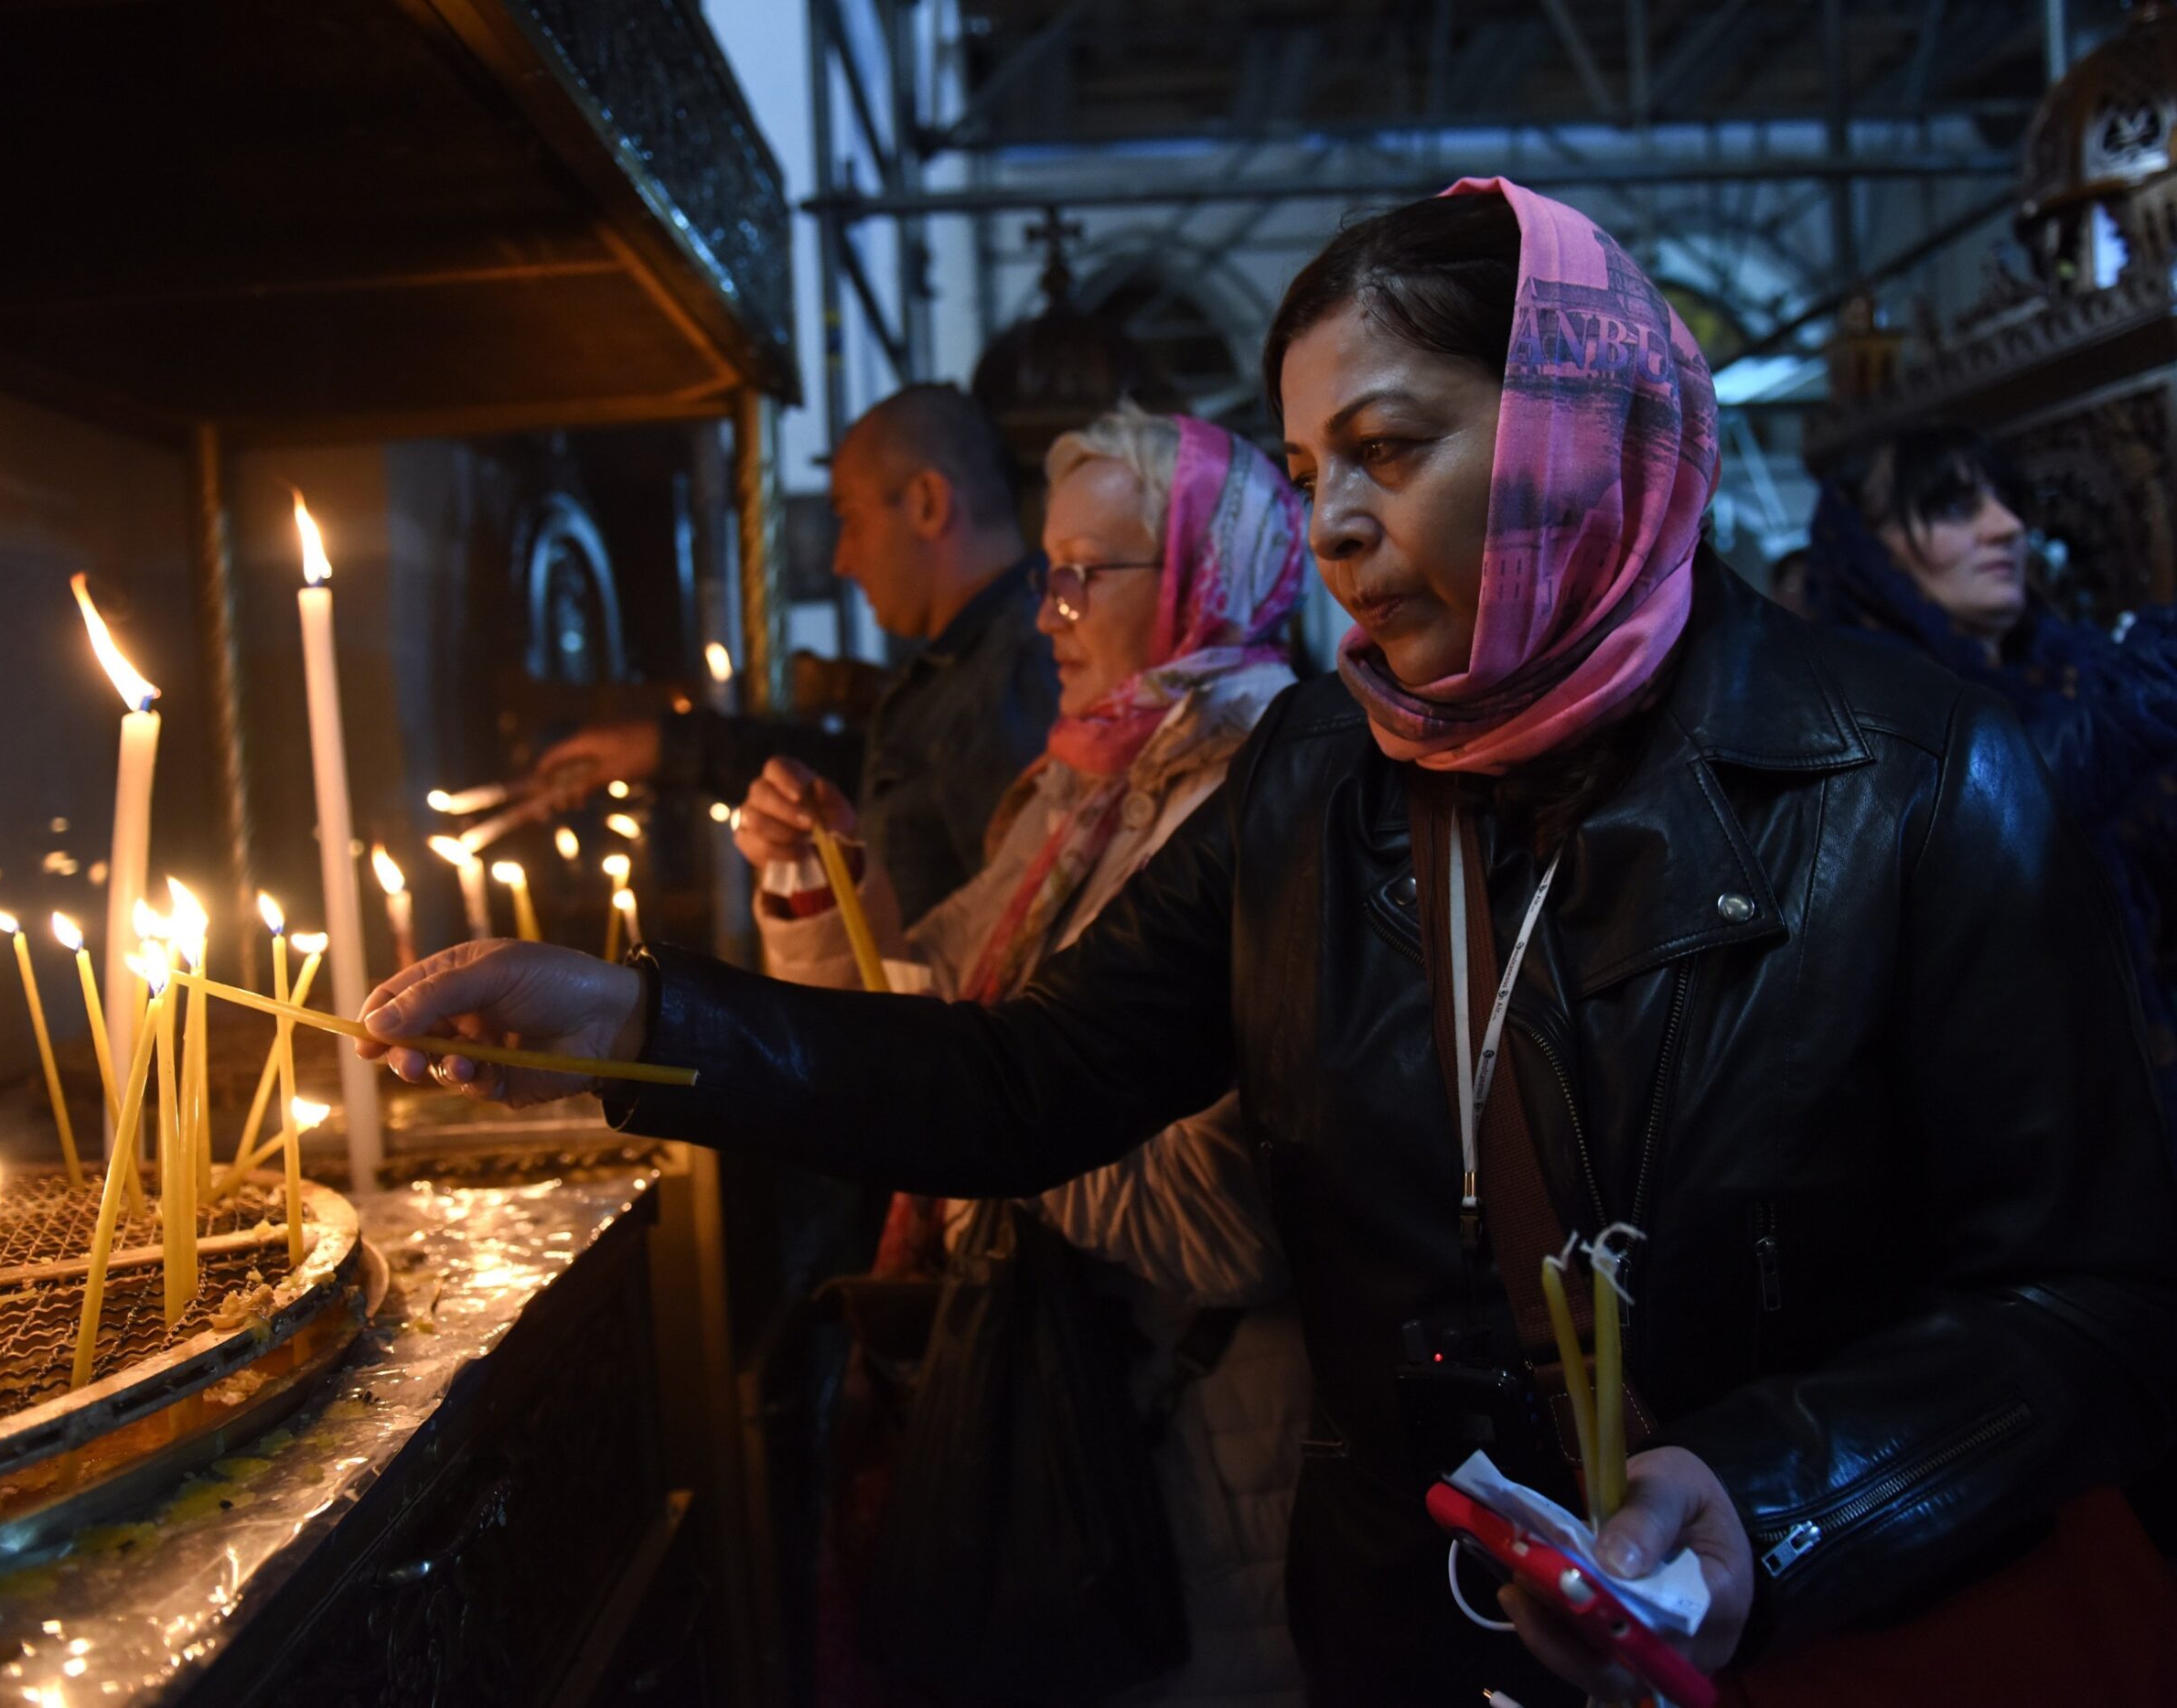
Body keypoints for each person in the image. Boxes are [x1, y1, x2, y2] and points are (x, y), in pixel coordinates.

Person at [360, 182, 2177, 1704]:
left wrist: (1764, 1499)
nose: (1332, 526)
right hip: (1407, 1640)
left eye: (1389, 446)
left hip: (1812, 1648)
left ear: (1573, 418)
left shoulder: (1920, 776)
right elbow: (1025, 1079)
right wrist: (637, 1020)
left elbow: (2082, 1299)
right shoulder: (1320, 775)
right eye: (1306, 467)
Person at [736, 403, 1312, 1706]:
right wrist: (817, 880)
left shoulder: (1262, 795)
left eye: (1082, 575)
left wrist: (984, 1107)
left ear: (1195, 578)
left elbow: (1224, 1220)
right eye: (1046, 571)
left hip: (1190, 1462)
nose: (1046, 612)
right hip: (1067, 1407)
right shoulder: (1083, 783)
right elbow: (923, 1007)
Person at [533, 383, 1058, 926]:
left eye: (850, 519)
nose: (841, 560)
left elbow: (1018, 934)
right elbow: (878, 789)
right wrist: (661, 746)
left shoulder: (1019, 674)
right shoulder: (969, 668)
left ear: (928, 503)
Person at [1805, 425, 2177, 1136]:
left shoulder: (2073, 671)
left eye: (2007, 501)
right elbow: (1992, 807)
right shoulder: (1848, 709)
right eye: (1953, 508)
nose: (2007, 527)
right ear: (1867, 549)